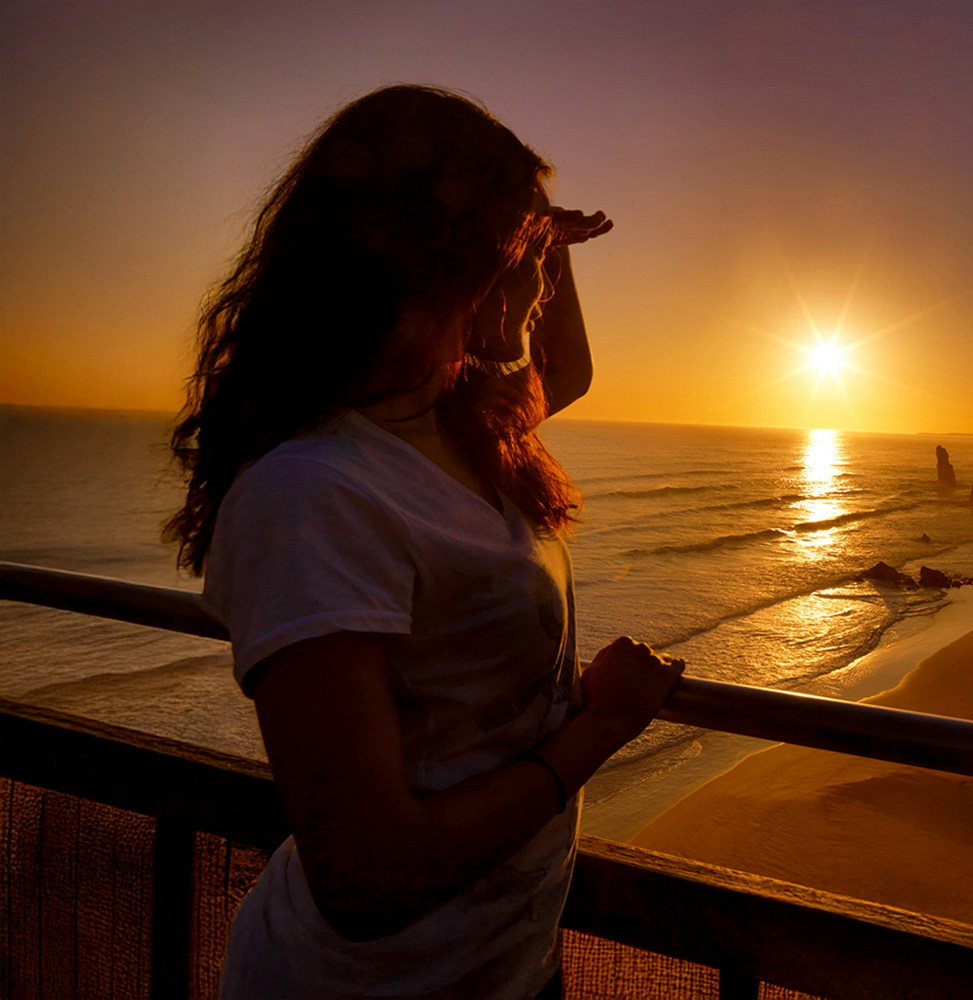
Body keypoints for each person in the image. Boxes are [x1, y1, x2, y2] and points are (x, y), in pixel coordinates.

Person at [165, 84, 683, 998]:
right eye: (522, 251)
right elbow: (368, 878)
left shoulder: (460, 427)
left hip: (504, 969)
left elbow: (567, 368)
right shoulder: (312, 494)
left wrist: (553, 252)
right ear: (447, 258)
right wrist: (601, 727)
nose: (539, 280)